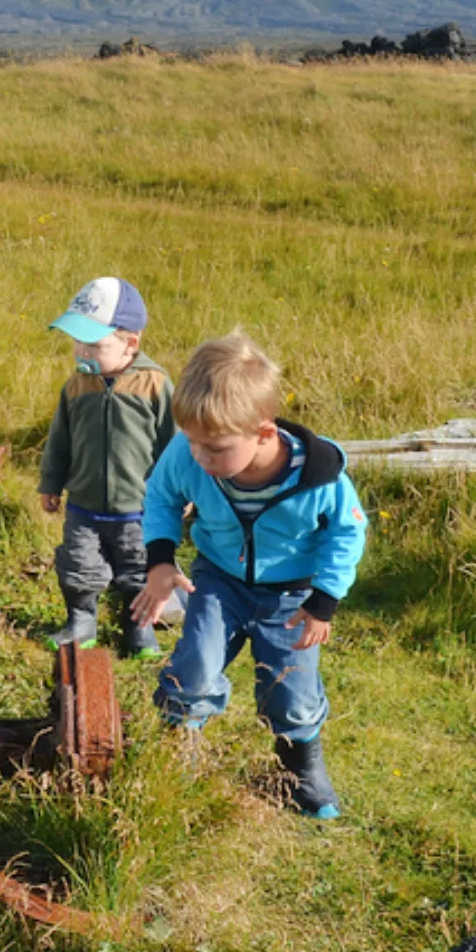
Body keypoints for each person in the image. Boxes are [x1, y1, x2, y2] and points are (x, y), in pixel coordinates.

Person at [129, 332, 366, 818]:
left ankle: (300, 769)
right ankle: (179, 753)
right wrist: (160, 560)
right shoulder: (187, 453)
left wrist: (323, 601)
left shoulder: (319, 477)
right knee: (193, 664)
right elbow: (162, 497)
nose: (199, 456)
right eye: (192, 442)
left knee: (291, 692)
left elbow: (347, 534)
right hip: (219, 580)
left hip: (292, 595)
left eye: (213, 448)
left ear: (263, 433)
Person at [37, 277, 176, 658]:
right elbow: (60, 439)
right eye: (77, 342)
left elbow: (175, 444)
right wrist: (51, 482)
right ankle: (82, 620)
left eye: (95, 345)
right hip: (83, 503)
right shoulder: (76, 386)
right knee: (79, 566)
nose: (82, 351)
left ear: (131, 343)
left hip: (140, 508)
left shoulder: (155, 384)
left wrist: (182, 494)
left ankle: (139, 627)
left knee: (137, 569)